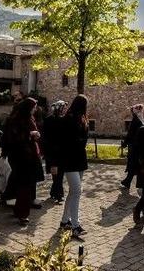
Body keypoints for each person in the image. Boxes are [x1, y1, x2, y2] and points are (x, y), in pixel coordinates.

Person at [3, 97, 45, 225]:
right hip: (21, 156)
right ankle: (22, 213)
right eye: (33, 107)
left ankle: (18, 208)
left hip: (29, 155)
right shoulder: (16, 120)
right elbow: (14, 138)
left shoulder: (29, 118)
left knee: (23, 184)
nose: (35, 109)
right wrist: (30, 134)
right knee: (24, 186)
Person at [57, 95, 89, 239]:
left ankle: (65, 221)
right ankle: (75, 225)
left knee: (73, 192)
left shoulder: (82, 118)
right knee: (77, 191)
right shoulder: (68, 119)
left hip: (80, 158)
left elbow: (83, 137)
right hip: (69, 159)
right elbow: (65, 140)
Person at [43, 100, 66, 204]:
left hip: (51, 153)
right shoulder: (63, 120)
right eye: (63, 108)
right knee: (59, 174)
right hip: (58, 153)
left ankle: (54, 192)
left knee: (56, 174)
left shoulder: (48, 120)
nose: (64, 110)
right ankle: (59, 195)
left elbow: (44, 136)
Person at [121, 104, 144, 189]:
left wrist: (124, 143)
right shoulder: (142, 120)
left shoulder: (136, 120)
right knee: (135, 164)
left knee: (133, 163)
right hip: (139, 146)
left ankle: (132, 182)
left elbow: (130, 133)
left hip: (134, 146)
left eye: (132, 111)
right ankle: (128, 181)